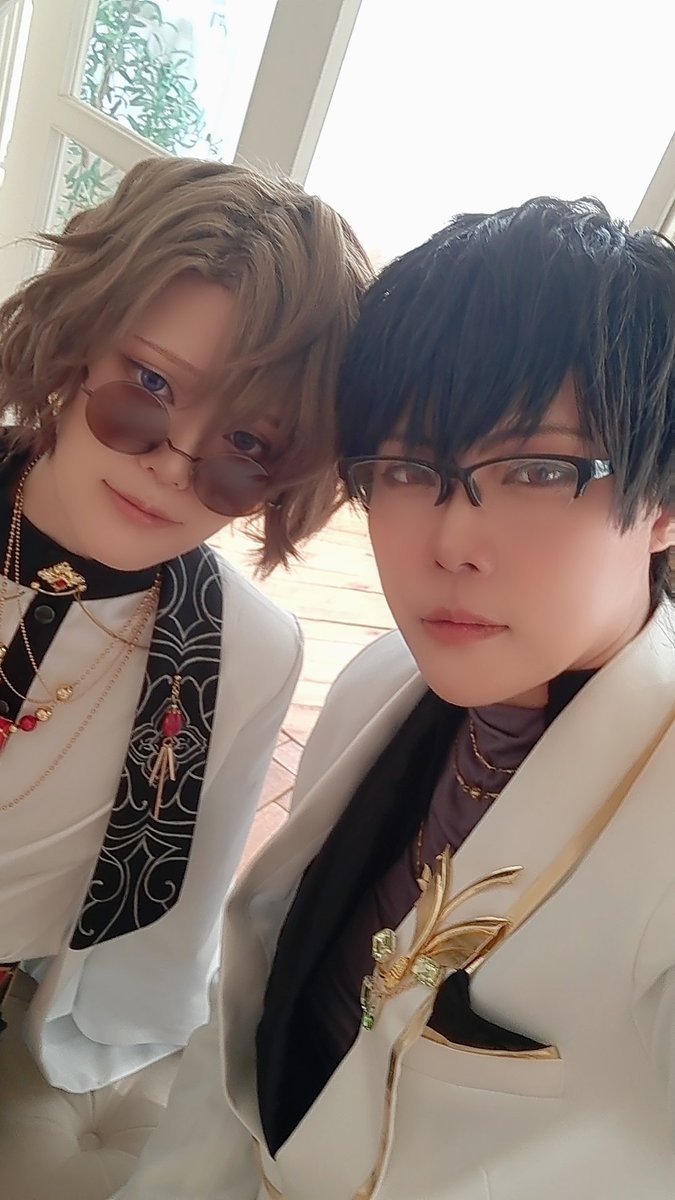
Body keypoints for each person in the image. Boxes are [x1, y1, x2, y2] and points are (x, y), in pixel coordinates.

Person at [115, 197, 674, 1199]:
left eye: (537, 468)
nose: (449, 543)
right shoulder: (378, 682)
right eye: (411, 469)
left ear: (663, 502)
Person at [0, 155, 371, 1093]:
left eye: (248, 443)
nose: (176, 463)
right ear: (82, 336)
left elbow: (172, 924)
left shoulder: (245, 654)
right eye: (151, 385)